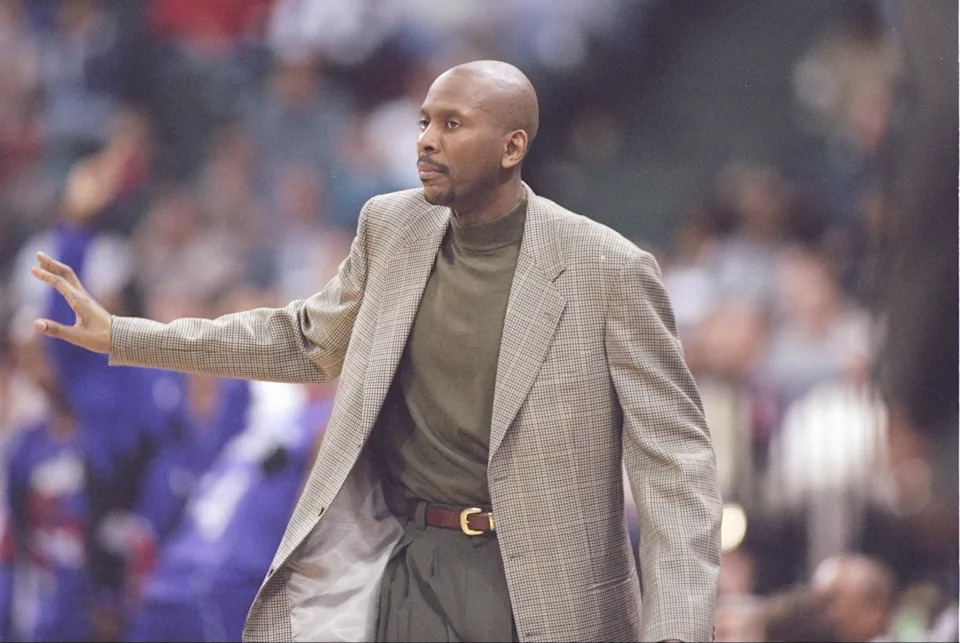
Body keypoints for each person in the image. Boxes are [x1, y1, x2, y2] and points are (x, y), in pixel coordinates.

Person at [29, 60, 722, 642]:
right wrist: (125, 334)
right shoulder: (391, 227)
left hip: (547, 588)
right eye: (424, 121)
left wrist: (677, 631)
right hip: (408, 566)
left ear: (513, 147)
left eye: (452, 124)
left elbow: (678, 473)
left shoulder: (609, 268)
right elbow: (301, 340)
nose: (426, 140)